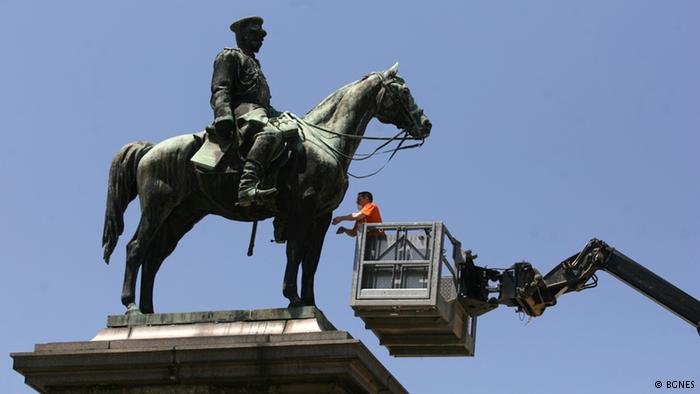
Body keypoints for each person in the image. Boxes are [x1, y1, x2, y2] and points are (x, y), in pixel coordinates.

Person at [210, 16, 282, 207]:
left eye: (261, 36)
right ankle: (247, 186)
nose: (260, 38)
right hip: (242, 112)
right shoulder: (230, 55)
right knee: (271, 133)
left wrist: (280, 115)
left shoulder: (254, 63)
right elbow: (221, 88)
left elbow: (262, 101)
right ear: (242, 35)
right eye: (255, 34)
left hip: (260, 112)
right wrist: (223, 114)